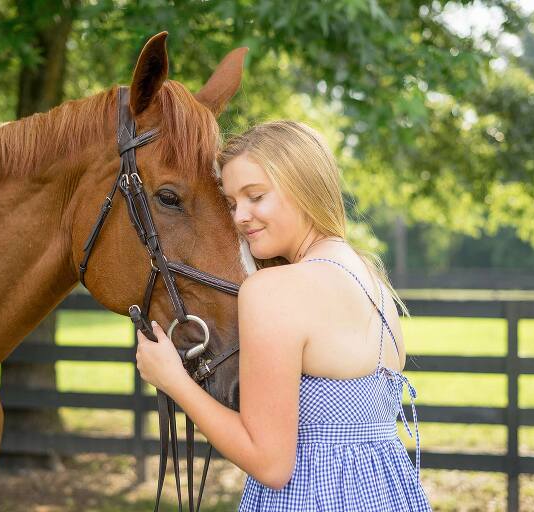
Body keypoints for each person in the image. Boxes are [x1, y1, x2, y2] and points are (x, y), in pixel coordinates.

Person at [135, 120, 432, 510]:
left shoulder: (273, 290)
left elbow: (270, 463)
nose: (240, 216)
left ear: (303, 186)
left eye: (255, 196)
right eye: (231, 202)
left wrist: (174, 381)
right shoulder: (373, 282)